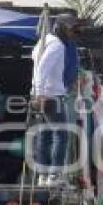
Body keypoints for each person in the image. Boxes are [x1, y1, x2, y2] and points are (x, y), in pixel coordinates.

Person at [31, 13, 78, 185]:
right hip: (51, 95)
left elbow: (37, 67)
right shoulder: (57, 45)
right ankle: (54, 175)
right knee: (62, 134)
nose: (73, 33)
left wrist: (37, 92)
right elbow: (42, 69)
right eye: (71, 29)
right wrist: (40, 93)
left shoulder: (44, 43)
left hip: (44, 94)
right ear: (61, 28)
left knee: (45, 134)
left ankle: (43, 175)